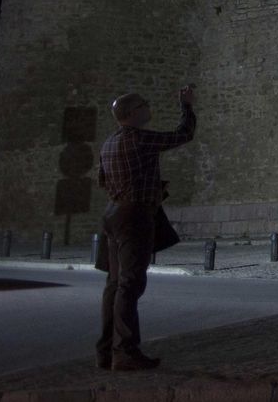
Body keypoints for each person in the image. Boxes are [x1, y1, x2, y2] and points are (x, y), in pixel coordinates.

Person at [96, 86, 196, 371]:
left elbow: (103, 181)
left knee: (114, 285)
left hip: (113, 213)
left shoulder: (108, 143)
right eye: (144, 104)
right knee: (130, 284)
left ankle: (106, 351)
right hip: (134, 215)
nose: (148, 108)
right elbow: (182, 135)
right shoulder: (139, 138)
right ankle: (125, 351)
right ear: (132, 113)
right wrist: (186, 106)